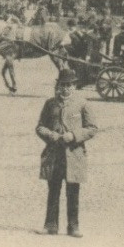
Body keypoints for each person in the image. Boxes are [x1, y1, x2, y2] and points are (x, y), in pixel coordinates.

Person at [36, 69, 98, 237]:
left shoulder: (83, 104)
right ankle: (50, 225)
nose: (65, 89)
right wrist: (52, 135)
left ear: (74, 86)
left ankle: (73, 226)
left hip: (74, 154)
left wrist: (75, 135)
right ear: (58, 86)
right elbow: (40, 127)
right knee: (53, 190)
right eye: (62, 85)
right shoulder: (50, 104)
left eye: (69, 85)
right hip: (55, 154)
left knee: (73, 191)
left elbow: (92, 129)